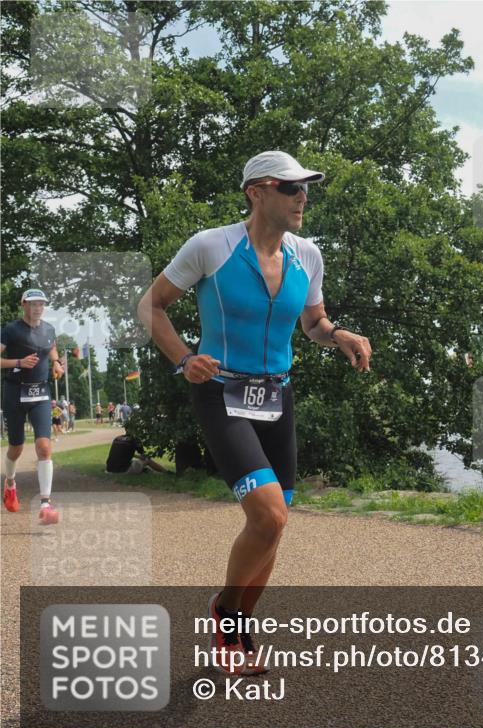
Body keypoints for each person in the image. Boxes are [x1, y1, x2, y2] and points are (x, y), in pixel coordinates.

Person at [139, 150, 372, 675]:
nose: (302, 197)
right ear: (256, 192)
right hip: (221, 391)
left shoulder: (307, 255)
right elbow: (150, 305)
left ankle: (240, 629)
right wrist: (183, 359)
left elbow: (312, 322)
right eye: (291, 188)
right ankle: (225, 613)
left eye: (305, 188)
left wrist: (338, 335)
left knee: (276, 524)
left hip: (278, 397)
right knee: (266, 514)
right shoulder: (210, 247)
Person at [0, 289, 64, 524]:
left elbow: (51, 347)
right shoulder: (11, 330)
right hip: (14, 392)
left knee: (44, 447)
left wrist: (56, 363)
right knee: (16, 448)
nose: (38, 308)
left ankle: (46, 503)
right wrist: (18, 362)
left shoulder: (48, 329)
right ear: (23, 304)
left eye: (41, 304)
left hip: (41, 393)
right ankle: (10, 483)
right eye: (33, 304)